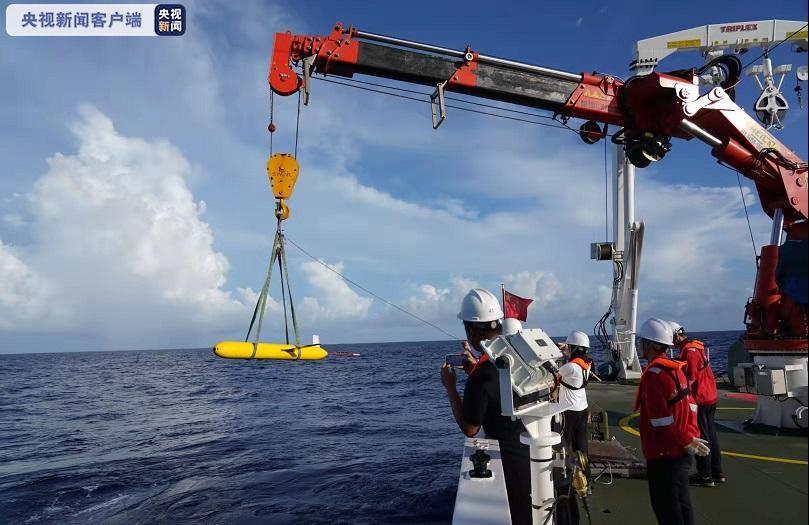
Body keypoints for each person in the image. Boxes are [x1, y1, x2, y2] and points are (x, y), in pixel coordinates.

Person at [440, 288, 531, 525]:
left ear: (470, 330)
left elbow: (470, 428)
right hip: (533, 452)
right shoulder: (520, 355)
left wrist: (450, 387)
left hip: (510, 463)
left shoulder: (481, 377)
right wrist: (475, 369)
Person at [635, 317, 709, 525]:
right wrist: (691, 437)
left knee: (667, 509)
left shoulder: (653, 375)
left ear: (649, 345)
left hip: (663, 453)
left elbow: (661, 420)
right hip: (680, 451)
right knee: (682, 504)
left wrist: (686, 439)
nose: (639, 346)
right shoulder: (677, 369)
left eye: (641, 342)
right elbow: (691, 406)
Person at [670, 321, 725, 487]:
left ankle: (705, 475)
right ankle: (716, 472)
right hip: (710, 395)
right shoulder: (697, 347)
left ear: (677, 336)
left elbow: (691, 377)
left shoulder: (690, 351)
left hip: (700, 398)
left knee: (700, 437)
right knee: (711, 435)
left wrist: (680, 395)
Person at [557, 331, 593, 476]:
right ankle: (585, 474)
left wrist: (559, 352)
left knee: (565, 442)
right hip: (582, 408)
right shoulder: (587, 364)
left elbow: (554, 374)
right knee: (581, 444)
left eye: (570, 346)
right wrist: (567, 349)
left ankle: (565, 474)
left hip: (569, 410)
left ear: (574, 348)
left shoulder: (570, 367)